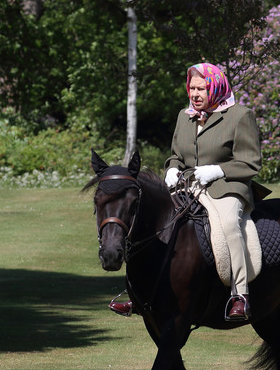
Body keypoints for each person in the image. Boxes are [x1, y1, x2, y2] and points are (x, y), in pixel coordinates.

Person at [109, 63, 262, 320]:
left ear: (215, 86)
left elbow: (250, 162)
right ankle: (136, 295)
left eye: (201, 88)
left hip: (226, 187)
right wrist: (172, 168)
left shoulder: (240, 116)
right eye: (191, 88)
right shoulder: (185, 115)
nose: (195, 94)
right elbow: (176, 156)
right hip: (188, 186)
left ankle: (240, 295)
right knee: (150, 221)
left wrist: (218, 171)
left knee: (228, 225)